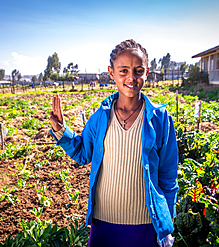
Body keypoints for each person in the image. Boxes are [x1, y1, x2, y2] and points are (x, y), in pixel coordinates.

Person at [49, 39, 178, 247]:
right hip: (105, 224)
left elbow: (168, 174)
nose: (131, 78)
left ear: (146, 72)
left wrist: (167, 219)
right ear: (111, 72)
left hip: (146, 224)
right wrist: (61, 131)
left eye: (138, 70)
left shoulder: (160, 119)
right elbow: (83, 153)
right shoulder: (101, 117)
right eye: (123, 71)